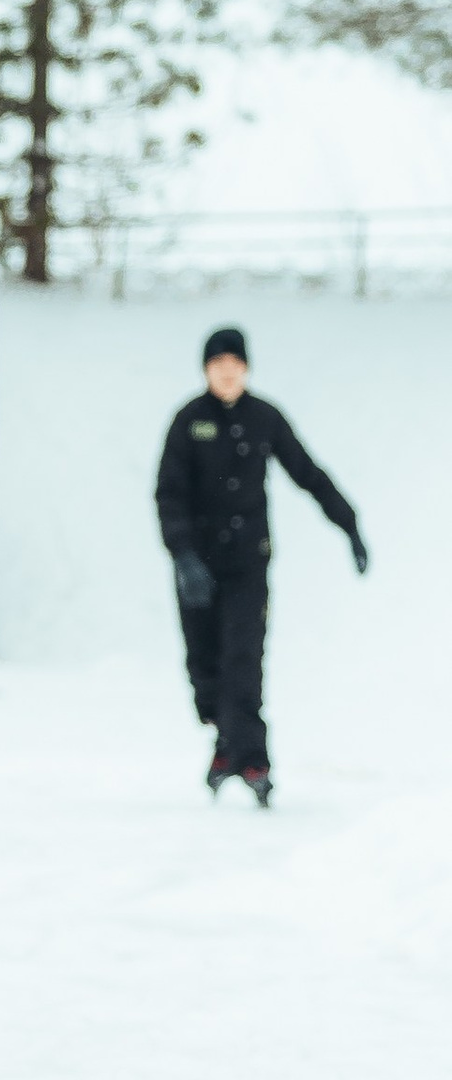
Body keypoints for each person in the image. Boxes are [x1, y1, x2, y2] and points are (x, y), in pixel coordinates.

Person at [155, 323, 366, 805]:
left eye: (234, 365)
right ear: (206, 370)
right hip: (197, 566)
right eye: (217, 366)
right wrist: (184, 555)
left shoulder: (264, 418)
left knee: (242, 661)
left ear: (246, 369)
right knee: (204, 668)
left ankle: (252, 761)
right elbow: (168, 493)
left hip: (248, 564)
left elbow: (307, 474)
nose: (226, 374)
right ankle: (226, 744)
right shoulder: (188, 421)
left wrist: (348, 523)